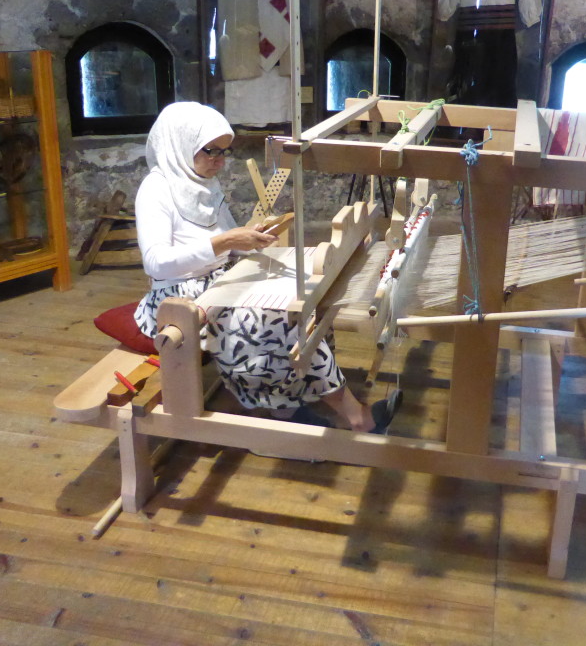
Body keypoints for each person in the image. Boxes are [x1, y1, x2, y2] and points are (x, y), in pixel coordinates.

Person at [133, 101, 401, 434]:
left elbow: (226, 239)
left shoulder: (204, 185)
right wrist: (226, 243)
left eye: (224, 152)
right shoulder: (155, 190)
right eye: (210, 150)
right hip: (180, 300)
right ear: (180, 144)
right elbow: (156, 261)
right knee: (278, 321)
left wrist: (252, 239)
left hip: (221, 279)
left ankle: (290, 405)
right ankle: (349, 417)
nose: (218, 159)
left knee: (306, 301)